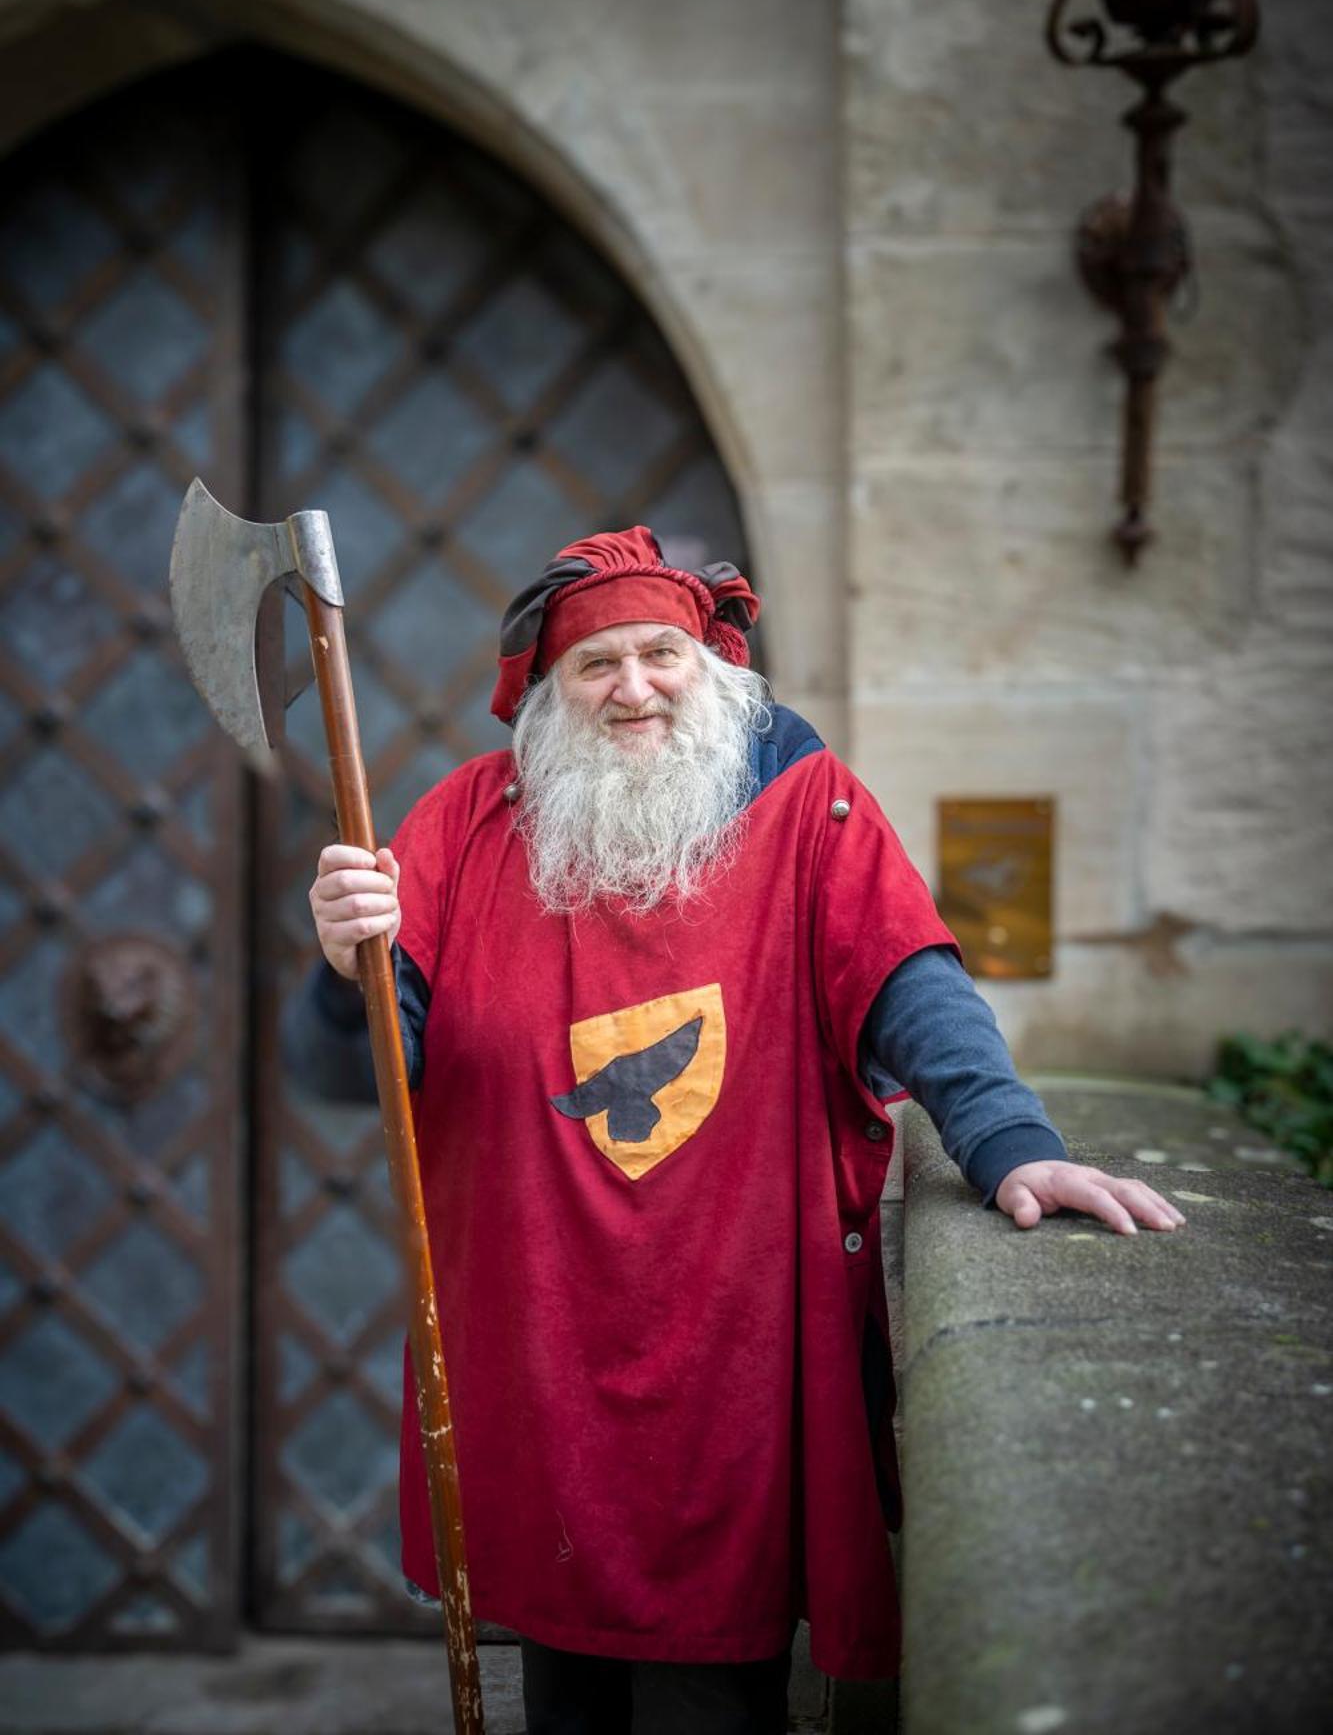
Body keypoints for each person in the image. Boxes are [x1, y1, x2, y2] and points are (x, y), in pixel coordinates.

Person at [287, 525, 1183, 1734]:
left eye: (660, 652)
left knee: (718, 1696)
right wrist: (344, 964)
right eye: (594, 664)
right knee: (565, 1688)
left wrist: (1011, 1142)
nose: (632, 686)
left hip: (736, 1352)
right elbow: (365, 1073)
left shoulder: (799, 800)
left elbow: (908, 982)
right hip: (535, 1345)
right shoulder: (461, 826)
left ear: (711, 665)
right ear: (548, 694)